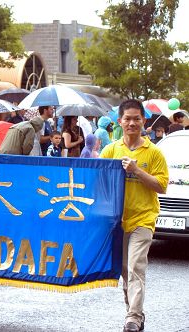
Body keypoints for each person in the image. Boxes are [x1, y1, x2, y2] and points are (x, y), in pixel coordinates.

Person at [100, 99, 168, 332]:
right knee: (125, 271)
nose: (131, 123)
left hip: (143, 219)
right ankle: (135, 312)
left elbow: (161, 186)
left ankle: (133, 318)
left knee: (136, 267)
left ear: (143, 120)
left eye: (136, 119)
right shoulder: (110, 150)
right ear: (120, 121)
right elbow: (97, 183)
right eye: (127, 119)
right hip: (117, 221)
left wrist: (136, 170)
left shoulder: (155, 153)